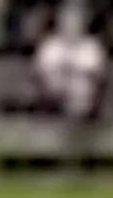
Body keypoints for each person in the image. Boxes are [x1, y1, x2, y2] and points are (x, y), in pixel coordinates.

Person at [35, 9, 107, 165]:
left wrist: (72, 72)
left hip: (86, 98)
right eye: (68, 24)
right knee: (68, 89)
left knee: (81, 91)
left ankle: (72, 152)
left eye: (75, 24)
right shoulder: (51, 46)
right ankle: (74, 152)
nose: (72, 28)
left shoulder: (91, 47)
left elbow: (95, 75)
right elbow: (45, 74)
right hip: (53, 96)